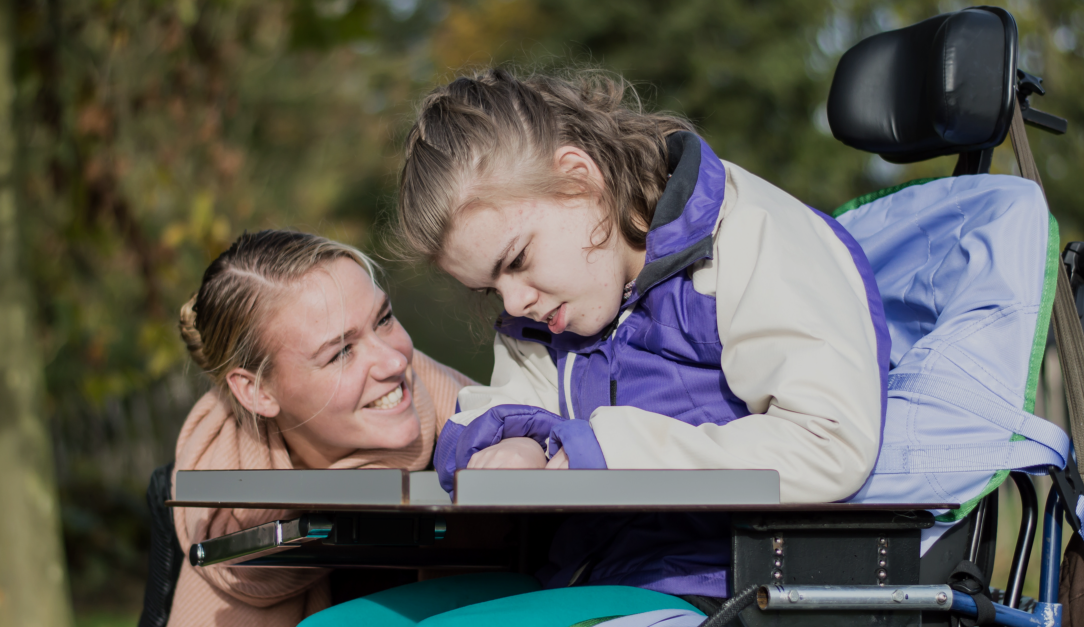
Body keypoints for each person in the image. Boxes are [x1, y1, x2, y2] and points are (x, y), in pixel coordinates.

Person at [304, 67, 891, 626]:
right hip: (586, 576)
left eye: (517, 261)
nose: (512, 304)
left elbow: (829, 441)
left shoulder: (753, 237)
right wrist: (518, 445)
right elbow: (502, 409)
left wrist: (605, 448)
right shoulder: (555, 307)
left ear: (579, 177)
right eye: (489, 287)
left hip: (726, 584)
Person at [167, 229, 540, 626]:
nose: (395, 362)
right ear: (256, 392)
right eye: (341, 352)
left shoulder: (484, 424)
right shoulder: (221, 514)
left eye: (383, 319)